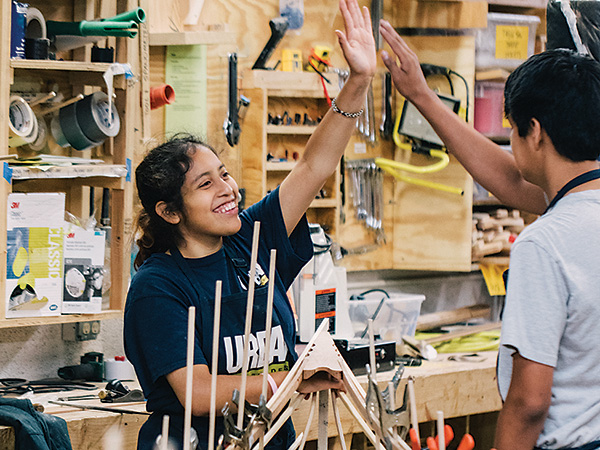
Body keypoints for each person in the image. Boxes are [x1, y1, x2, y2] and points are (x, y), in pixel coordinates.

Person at [123, 1, 376, 449]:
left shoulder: (252, 238)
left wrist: (358, 82)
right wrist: (297, 377)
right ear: (169, 212)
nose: (228, 188)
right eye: (206, 184)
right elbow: (198, 393)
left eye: (225, 174)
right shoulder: (158, 286)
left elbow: (315, 164)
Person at [379, 20, 600, 450]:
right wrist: (423, 97)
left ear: (533, 132)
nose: (512, 147)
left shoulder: (544, 242)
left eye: (513, 131)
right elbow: (514, 182)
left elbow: (529, 402)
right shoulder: (581, 208)